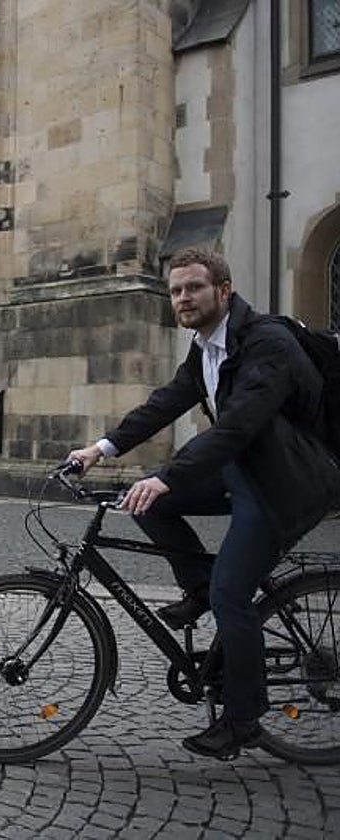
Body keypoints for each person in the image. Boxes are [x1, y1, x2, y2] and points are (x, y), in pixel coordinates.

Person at [67, 246, 340, 760]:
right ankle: (196, 588)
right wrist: (99, 450)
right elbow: (167, 402)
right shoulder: (205, 346)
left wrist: (169, 475)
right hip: (247, 468)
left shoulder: (268, 344)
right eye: (175, 290)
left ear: (224, 290)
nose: (183, 298)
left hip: (287, 483)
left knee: (231, 596)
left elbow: (239, 423)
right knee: (147, 502)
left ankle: (244, 720)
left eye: (194, 287)